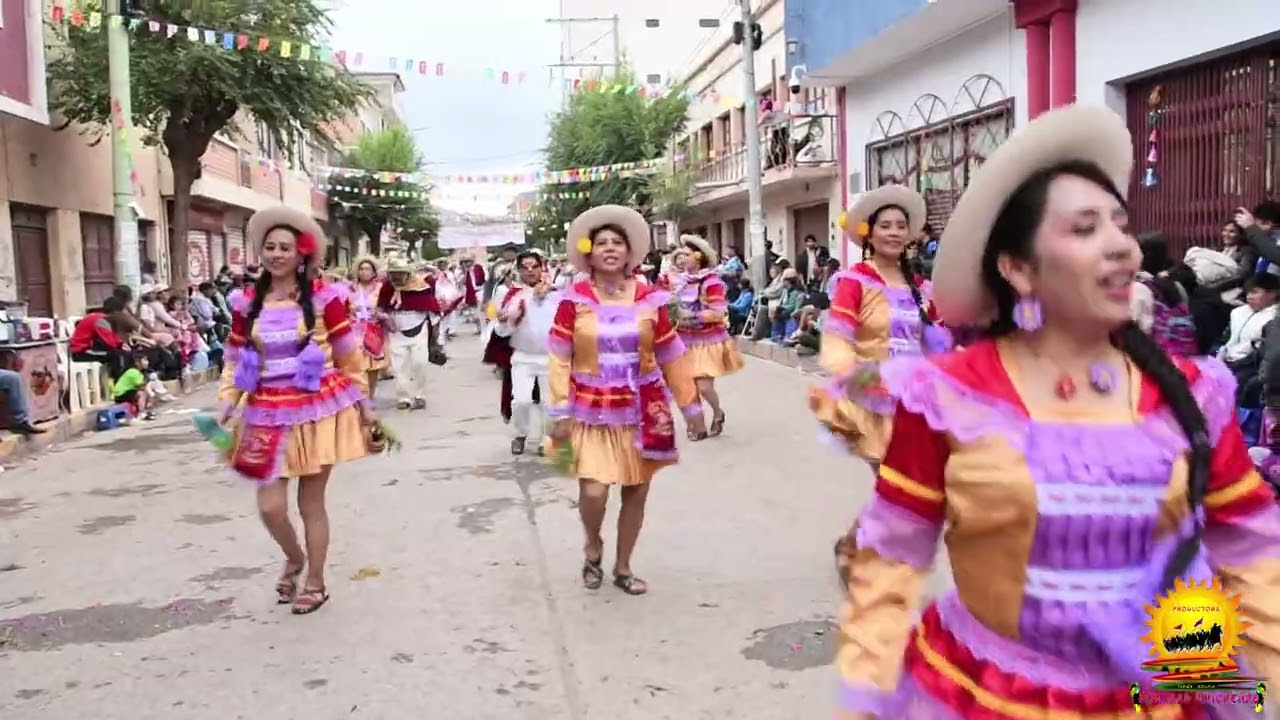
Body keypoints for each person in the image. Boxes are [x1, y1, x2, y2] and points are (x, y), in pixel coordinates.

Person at [831, 105, 1280, 719]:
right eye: (1085, 228)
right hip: (990, 697)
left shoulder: (1194, 393)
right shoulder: (948, 397)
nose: (1122, 247)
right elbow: (891, 555)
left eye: (1121, 225)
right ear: (1017, 269)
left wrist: (1258, 685)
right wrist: (867, 693)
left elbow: (1250, 549)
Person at [216, 205, 377, 616]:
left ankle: (316, 582)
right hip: (264, 412)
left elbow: (349, 356)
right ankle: (294, 557)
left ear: (301, 253)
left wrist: (365, 406)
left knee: (311, 504)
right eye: (270, 247)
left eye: (284, 247)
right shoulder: (246, 302)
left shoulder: (326, 299)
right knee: (269, 507)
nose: (276, 254)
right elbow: (235, 358)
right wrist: (228, 399)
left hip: (316, 409)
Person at [546, 205, 706, 596]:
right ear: (589, 254)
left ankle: (623, 566)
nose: (610, 248)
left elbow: (671, 354)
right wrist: (559, 408)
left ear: (629, 251)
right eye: (601, 242)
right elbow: (560, 356)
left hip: (643, 411)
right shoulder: (573, 301)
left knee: (636, 490)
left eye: (617, 242)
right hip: (591, 411)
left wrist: (690, 406)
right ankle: (592, 545)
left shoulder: (651, 300)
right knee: (594, 491)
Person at [809, 183, 952, 467]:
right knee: (890, 473)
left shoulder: (921, 287)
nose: (894, 232)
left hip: (917, 399)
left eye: (901, 226)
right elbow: (839, 337)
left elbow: (942, 335)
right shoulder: (855, 281)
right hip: (875, 399)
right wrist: (858, 377)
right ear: (870, 234)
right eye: (885, 226)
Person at [672, 234, 744, 438]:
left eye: (687, 254)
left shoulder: (712, 283)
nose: (682, 258)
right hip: (683, 339)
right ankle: (698, 425)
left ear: (699, 257)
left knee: (704, 387)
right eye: (682, 254)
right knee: (688, 386)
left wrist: (691, 315)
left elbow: (718, 313)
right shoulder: (681, 281)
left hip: (706, 341)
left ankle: (718, 412)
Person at [493, 249, 559, 455]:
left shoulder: (556, 294)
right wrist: (502, 322)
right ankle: (521, 434)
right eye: (525, 267)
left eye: (534, 267)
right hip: (523, 356)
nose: (530, 271)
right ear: (519, 270)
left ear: (542, 268)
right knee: (521, 401)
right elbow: (501, 332)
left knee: (549, 402)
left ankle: (546, 439)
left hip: (551, 357)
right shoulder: (513, 296)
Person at [376, 256, 455, 410]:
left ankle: (420, 395)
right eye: (393, 273)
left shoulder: (420, 286)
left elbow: (432, 311)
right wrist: (384, 316)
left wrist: (434, 335)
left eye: (399, 273)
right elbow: (381, 307)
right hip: (396, 332)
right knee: (399, 367)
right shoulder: (387, 287)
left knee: (420, 363)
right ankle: (404, 397)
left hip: (419, 329)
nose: (396, 277)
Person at [350, 256, 388, 398]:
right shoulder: (351, 288)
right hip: (355, 330)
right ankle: (359, 396)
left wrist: (380, 314)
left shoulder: (380, 288)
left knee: (373, 366)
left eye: (367, 269)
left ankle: (370, 396)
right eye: (361, 269)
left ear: (374, 272)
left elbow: (386, 306)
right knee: (357, 365)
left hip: (374, 330)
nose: (364, 272)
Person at [69, 296, 131, 379]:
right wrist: (121, 345)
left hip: (87, 349)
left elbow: (112, 337)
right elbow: (111, 342)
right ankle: (117, 382)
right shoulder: (101, 320)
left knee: (118, 353)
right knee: (116, 356)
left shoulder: (99, 317)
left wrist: (121, 343)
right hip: (81, 352)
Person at [112, 353, 157, 421]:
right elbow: (142, 387)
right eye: (144, 360)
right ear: (137, 363)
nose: (147, 362)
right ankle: (141, 413)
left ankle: (146, 411)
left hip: (129, 391)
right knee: (142, 394)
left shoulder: (139, 373)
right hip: (120, 394)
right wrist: (151, 395)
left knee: (148, 393)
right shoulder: (133, 372)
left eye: (147, 360)